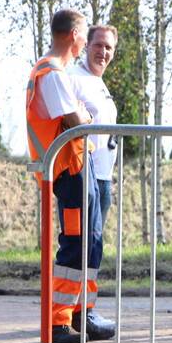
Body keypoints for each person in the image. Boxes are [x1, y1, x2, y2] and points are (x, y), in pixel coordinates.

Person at [26, 9, 115, 343]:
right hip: (69, 171)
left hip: (79, 168)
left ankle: (83, 313)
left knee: (90, 244)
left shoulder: (55, 72)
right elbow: (78, 123)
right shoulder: (50, 73)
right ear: (76, 35)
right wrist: (85, 113)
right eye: (84, 38)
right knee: (75, 246)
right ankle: (58, 323)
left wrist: (84, 113)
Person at [69, 24, 118, 229]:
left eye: (108, 47)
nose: (103, 52)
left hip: (103, 178)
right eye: (98, 45)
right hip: (81, 177)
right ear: (87, 46)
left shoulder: (98, 82)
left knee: (94, 248)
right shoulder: (74, 77)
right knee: (76, 247)